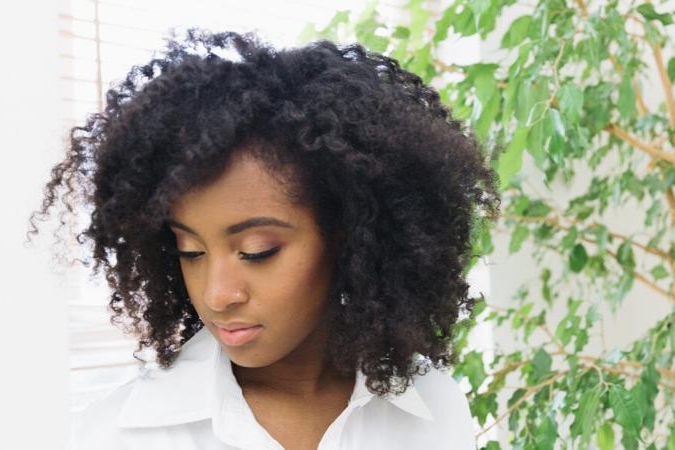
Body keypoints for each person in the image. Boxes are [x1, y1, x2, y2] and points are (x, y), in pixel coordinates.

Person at [29, 28, 500, 450]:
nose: (216, 295)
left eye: (257, 252)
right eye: (189, 251)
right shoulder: (118, 437)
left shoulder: (433, 408)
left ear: (349, 237)